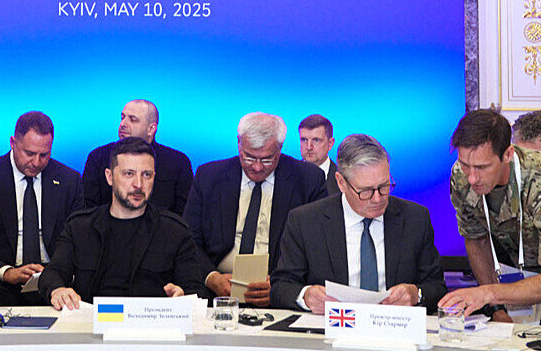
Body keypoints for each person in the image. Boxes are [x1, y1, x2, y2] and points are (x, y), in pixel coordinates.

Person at [438, 109, 541, 325]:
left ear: (508, 155)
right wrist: (496, 308)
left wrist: (488, 293)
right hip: (526, 260)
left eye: (482, 167)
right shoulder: (461, 177)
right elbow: (476, 238)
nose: (472, 178)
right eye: (465, 165)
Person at [272, 134, 446, 313]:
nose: (377, 198)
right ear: (341, 183)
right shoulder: (305, 221)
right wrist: (306, 296)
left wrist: (416, 294)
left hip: (394, 324)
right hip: (331, 326)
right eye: (366, 191)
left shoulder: (415, 219)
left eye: (384, 186)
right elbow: (281, 287)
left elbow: (437, 287)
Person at [42, 137, 213, 308]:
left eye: (146, 175)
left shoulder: (175, 231)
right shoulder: (80, 227)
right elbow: (52, 274)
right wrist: (58, 290)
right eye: (129, 174)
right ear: (109, 177)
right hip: (91, 321)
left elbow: (197, 290)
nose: (138, 184)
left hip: (151, 323)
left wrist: (183, 297)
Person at [187, 112, 328, 308]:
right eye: (249, 157)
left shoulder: (308, 180)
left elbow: (318, 246)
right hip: (217, 293)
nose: (257, 167)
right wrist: (211, 277)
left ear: (280, 148)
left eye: (267, 159)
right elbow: (189, 240)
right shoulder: (209, 177)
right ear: (239, 144)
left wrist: (282, 286)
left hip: (280, 295)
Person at [0, 111, 85, 306]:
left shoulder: (69, 181)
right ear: (13, 143)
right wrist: (6, 272)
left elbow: (78, 242)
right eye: (29, 153)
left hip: (52, 276)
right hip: (2, 275)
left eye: (44, 155)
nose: (36, 162)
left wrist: (54, 275)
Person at [81, 99, 194, 214]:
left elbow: (184, 212)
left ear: (151, 129)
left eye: (132, 120)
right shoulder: (98, 157)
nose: (123, 124)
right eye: (122, 118)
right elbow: (89, 209)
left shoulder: (178, 162)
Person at [299, 113, 339, 194]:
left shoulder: (344, 180)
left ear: (330, 144)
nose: (309, 147)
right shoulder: (285, 176)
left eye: (316, 140)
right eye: (304, 140)